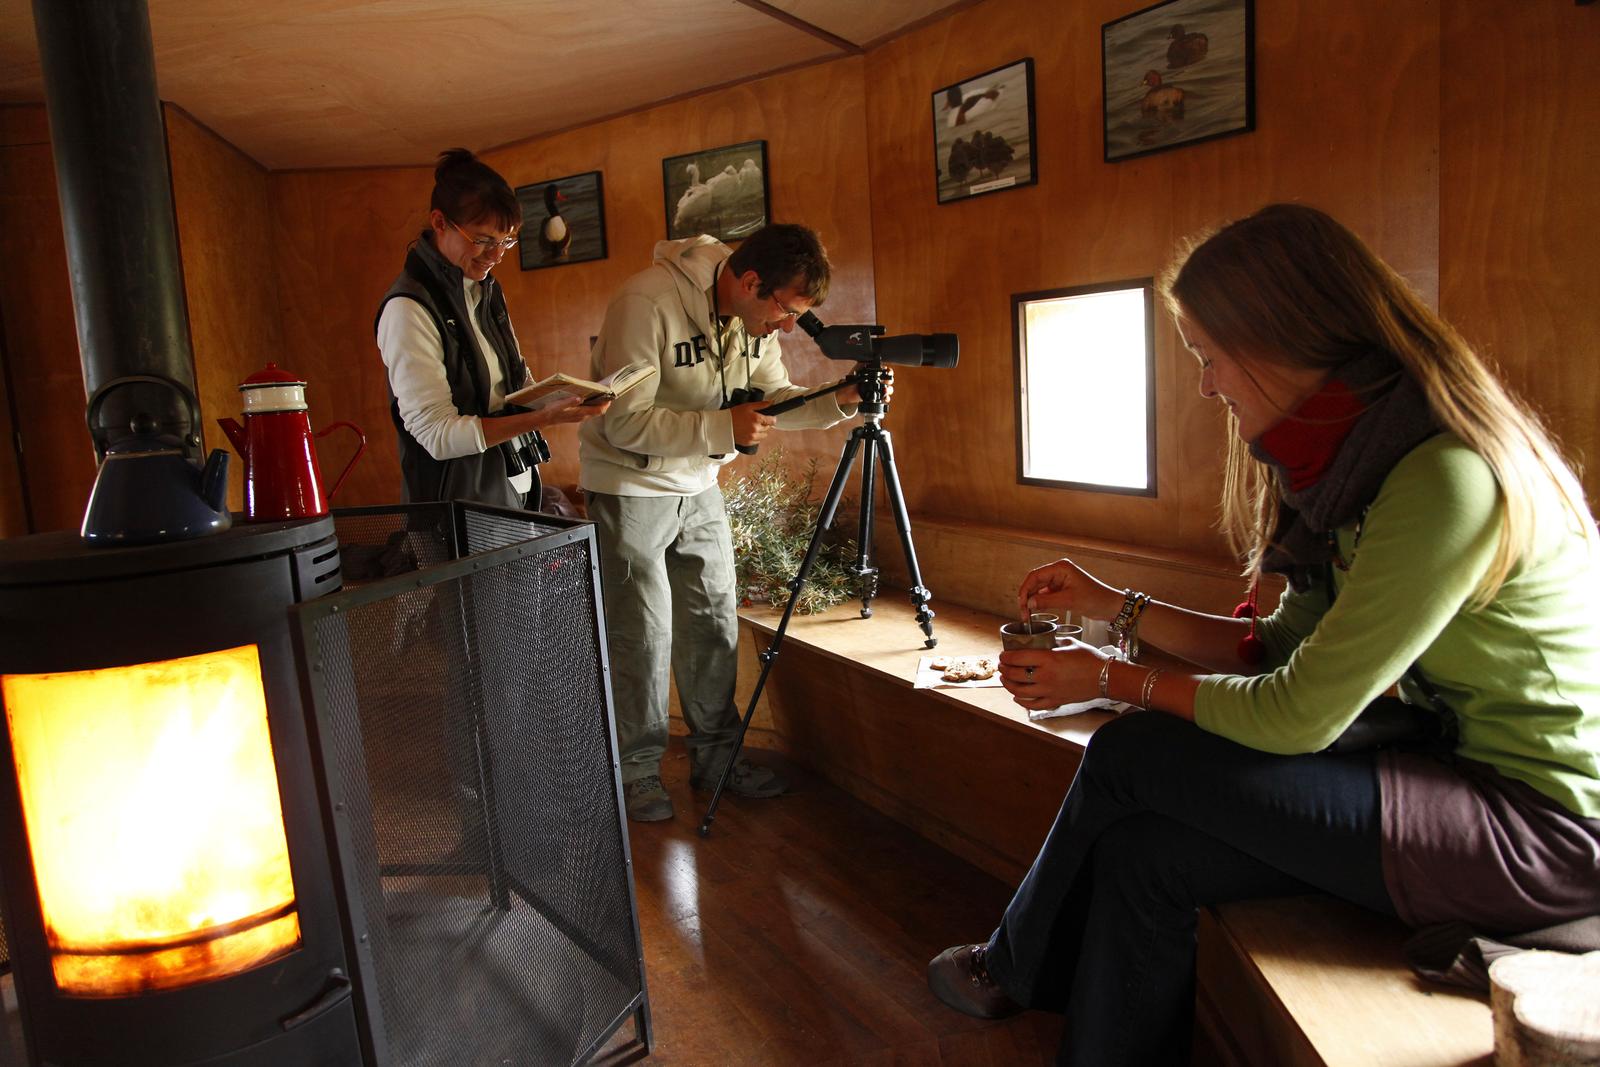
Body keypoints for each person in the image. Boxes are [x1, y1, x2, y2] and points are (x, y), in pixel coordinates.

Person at [926, 203, 1600, 1064]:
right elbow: (1274, 649)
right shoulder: (1366, 465)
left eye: (1210, 356)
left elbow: (1297, 715)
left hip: (1540, 831)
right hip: (1447, 779)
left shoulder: (1444, 479)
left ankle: (1012, 966)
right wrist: (1111, 604)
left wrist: (1111, 678)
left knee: (1132, 752)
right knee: (1145, 852)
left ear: (1286, 336)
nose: (1206, 384)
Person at [580, 223, 877, 822]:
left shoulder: (752, 319)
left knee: (712, 623)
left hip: (700, 484)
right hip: (629, 487)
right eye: (787, 311)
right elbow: (621, 422)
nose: (789, 326)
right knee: (640, 635)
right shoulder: (646, 303)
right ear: (749, 282)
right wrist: (722, 428)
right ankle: (635, 773)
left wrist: (837, 401)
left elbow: (772, 400)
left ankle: (717, 759)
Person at [376, 148, 606, 511]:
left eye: (507, 241)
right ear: (439, 223)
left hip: (513, 482)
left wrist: (569, 397)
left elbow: (511, 388)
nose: (496, 255)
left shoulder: (484, 288)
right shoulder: (408, 308)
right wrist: (543, 417)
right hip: (457, 506)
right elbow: (436, 435)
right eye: (482, 240)